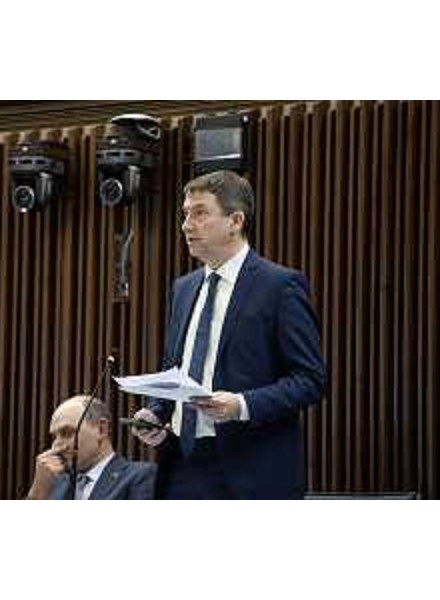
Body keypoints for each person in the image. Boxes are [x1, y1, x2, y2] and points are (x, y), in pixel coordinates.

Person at [133, 170, 326, 499]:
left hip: (251, 469)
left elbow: (310, 380)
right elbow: (177, 369)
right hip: (180, 464)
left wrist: (242, 404)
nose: (186, 225)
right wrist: (156, 412)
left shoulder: (279, 286)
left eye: (200, 213)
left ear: (235, 221)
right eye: (185, 214)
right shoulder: (183, 288)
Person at [26, 395, 156, 500]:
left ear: (101, 429)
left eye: (67, 432)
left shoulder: (141, 476)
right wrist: (37, 493)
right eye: (55, 436)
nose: (56, 445)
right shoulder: (52, 483)